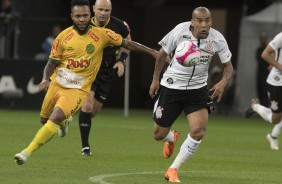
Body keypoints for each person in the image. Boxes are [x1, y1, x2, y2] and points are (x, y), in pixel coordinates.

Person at [14, 0, 158, 165]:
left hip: (78, 89)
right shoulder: (63, 37)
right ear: (72, 17)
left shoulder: (102, 35)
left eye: (84, 15)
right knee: (44, 120)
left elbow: (128, 43)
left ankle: (26, 152)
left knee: (58, 117)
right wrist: (45, 79)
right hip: (57, 84)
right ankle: (64, 121)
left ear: (90, 15)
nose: (81, 19)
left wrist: (152, 52)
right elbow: (51, 63)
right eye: (78, 16)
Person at [149, 7, 233, 183]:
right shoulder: (179, 30)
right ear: (192, 22)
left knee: (198, 131)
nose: (204, 25)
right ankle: (172, 137)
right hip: (171, 87)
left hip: (197, 89)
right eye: (200, 21)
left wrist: (222, 83)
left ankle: (173, 169)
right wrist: (155, 79)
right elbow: (161, 54)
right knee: (158, 134)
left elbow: (228, 66)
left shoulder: (217, 38)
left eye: (207, 21)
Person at [77, 0, 131, 156]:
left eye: (107, 10)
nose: (103, 13)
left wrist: (121, 61)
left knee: (92, 112)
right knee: (87, 105)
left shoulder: (119, 25)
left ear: (111, 10)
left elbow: (129, 44)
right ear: (93, 9)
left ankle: (70, 115)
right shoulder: (83, 25)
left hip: (108, 71)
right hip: (88, 70)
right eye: (100, 9)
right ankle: (85, 147)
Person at [245, 32, 282, 151]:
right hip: (277, 82)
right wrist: (278, 66)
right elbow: (265, 54)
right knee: (275, 119)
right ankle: (255, 106)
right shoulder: (281, 36)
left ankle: (273, 136)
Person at [255, 33, 270, 107]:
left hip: (267, 74)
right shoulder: (259, 50)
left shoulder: (269, 50)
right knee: (260, 91)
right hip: (260, 74)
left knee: (265, 92)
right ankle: (262, 108)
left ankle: (266, 108)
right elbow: (260, 62)